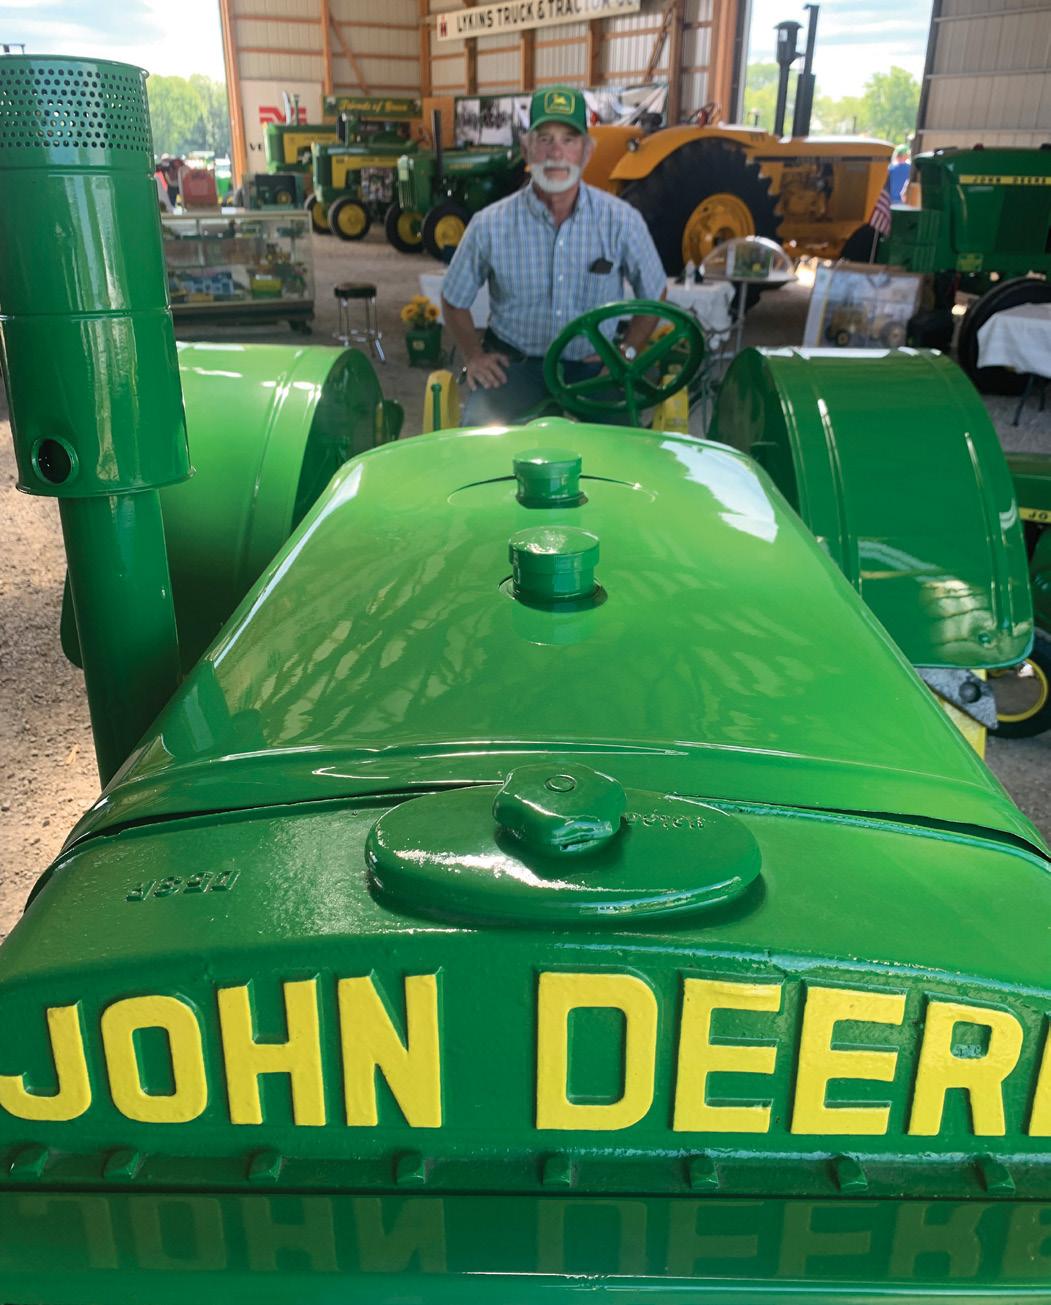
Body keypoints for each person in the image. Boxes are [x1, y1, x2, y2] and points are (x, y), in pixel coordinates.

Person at [441, 85, 668, 425]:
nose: (556, 153)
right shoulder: (489, 224)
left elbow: (655, 291)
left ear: (587, 151)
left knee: (622, 451)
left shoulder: (621, 220)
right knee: (479, 445)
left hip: (594, 370)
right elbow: (453, 298)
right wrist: (474, 355)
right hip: (514, 369)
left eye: (569, 140)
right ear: (526, 150)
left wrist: (628, 351)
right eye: (544, 139)